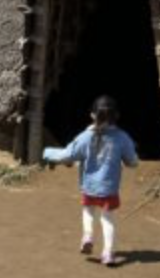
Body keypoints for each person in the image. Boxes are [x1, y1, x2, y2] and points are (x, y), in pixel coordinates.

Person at [42, 95, 139, 266]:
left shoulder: (84, 137)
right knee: (107, 219)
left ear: (93, 115)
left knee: (88, 211)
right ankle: (108, 253)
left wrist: (47, 153)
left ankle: (87, 236)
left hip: (89, 186)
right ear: (116, 115)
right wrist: (131, 160)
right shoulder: (122, 138)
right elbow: (132, 161)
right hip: (109, 188)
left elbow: (68, 154)